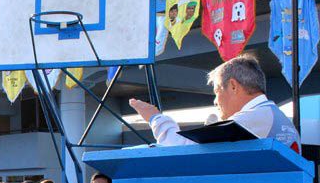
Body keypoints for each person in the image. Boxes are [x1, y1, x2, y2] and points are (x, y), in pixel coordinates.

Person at [129, 54, 301, 153]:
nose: (215, 101)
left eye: (217, 91)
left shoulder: (255, 117)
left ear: (233, 86)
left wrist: (155, 118)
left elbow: (184, 150)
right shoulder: (270, 115)